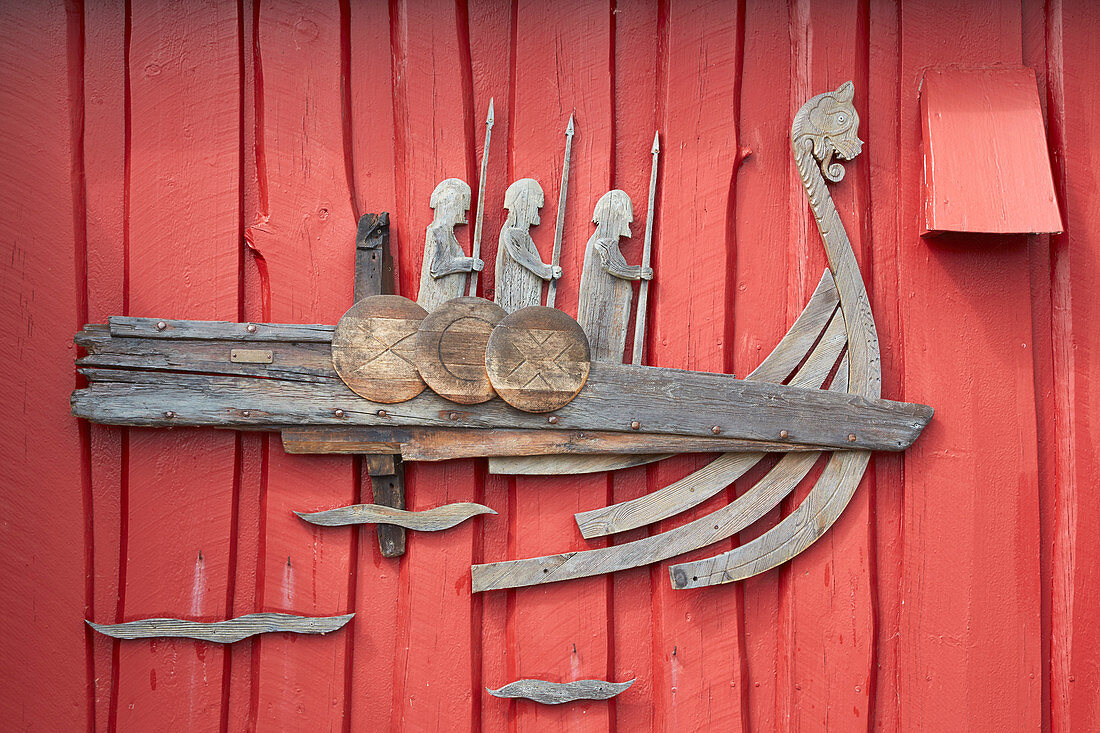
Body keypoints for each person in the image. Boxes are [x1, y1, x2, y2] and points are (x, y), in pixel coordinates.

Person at [576, 189, 653, 362]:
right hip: (602, 307)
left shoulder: (606, 242)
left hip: (610, 307)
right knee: (602, 347)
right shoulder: (604, 242)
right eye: (625, 219)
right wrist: (638, 272)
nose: (628, 223)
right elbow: (611, 265)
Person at [494, 178, 561, 313]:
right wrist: (547, 271)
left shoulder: (522, 234)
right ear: (524, 205)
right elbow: (522, 256)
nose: (538, 214)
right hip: (516, 297)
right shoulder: (512, 232)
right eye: (536, 208)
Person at [416, 178, 483, 312]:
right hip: (436, 306)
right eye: (462, 207)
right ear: (451, 206)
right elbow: (438, 267)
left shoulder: (446, 233)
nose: (464, 213)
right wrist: (469, 264)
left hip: (447, 305)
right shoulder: (439, 231)